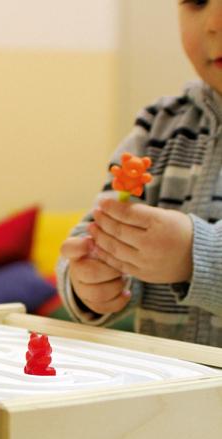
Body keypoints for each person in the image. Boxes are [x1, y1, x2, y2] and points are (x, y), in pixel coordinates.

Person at [58, 0, 222, 347]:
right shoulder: (156, 126)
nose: (214, 23)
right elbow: (96, 230)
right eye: (197, 2)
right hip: (167, 381)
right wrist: (92, 280)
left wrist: (198, 255)